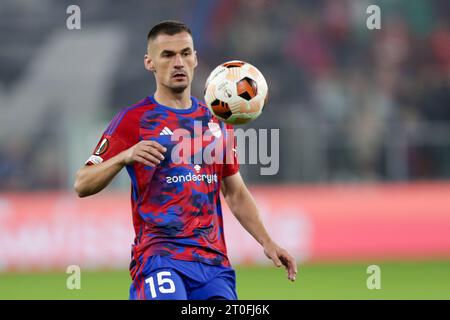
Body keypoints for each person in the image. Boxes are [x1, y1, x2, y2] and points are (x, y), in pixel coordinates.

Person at [74, 20, 297, 300]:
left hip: (213, 263)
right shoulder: (134, 120)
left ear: (195, 59)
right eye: (167, 55)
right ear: (150, 62)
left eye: (185, 53)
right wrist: (125, 156)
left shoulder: (217, 121)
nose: (178, 62)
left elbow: (235, 192)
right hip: (160, 258)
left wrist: (267, 241)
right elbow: (82, 183)